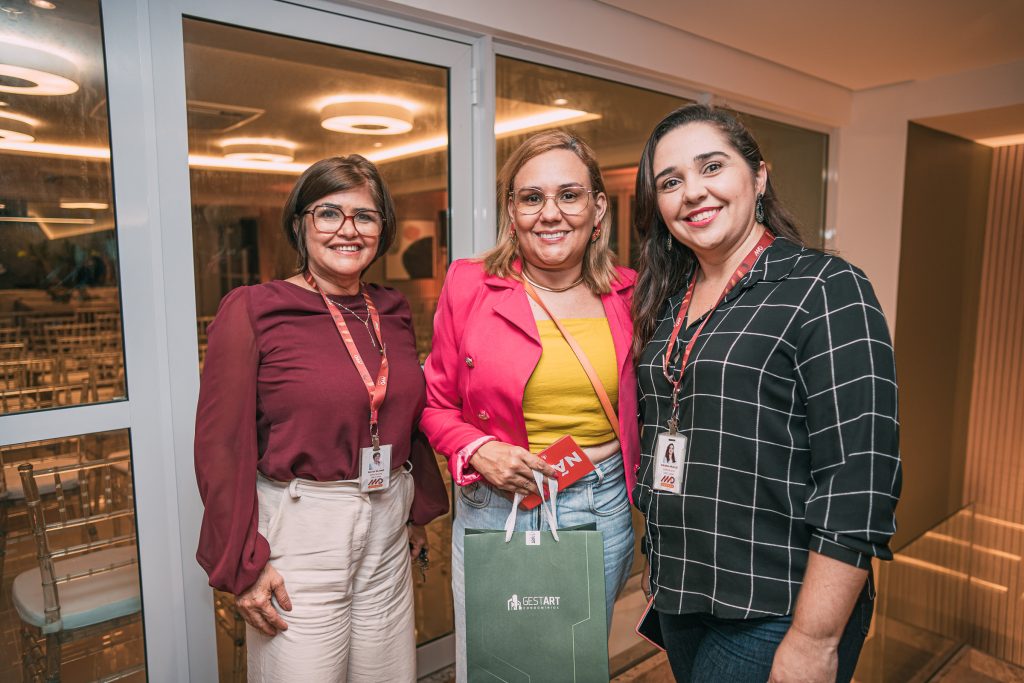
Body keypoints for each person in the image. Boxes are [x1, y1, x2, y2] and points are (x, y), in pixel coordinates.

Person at [631, 105, 901, 682]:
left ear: (758, 176)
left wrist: (814, 640)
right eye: (670, 182)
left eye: (712, 167)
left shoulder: (826, 287)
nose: (692, 193)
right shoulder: (669, 301)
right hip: (683, 594)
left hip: (778, 607)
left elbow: (861, 478)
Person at [194, 155, 449, 682]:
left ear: (383, 229)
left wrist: (414, 511)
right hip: (300, 532)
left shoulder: (392, 309)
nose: (347, 230)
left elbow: (402, 415)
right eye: (329, 213)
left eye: (365, 216)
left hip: (387, 524)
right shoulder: (253, 309)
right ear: (299, 224)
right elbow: (221, 447)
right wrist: (244, 563)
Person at [420, 131, 638, 680]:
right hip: (500, 504)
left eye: (569, 195)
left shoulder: (633, 292)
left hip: (601, 499)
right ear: (511, 211)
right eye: (531, 197)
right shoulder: (470, 285)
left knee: (575, 663)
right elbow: (433, 402)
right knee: (498, 667)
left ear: (597, 207)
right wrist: (477, 447)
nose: (551, 213)